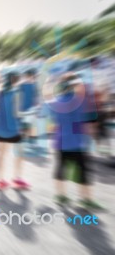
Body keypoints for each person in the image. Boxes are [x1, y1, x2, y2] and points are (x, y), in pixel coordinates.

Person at [47, 74, 103, 210]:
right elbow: (87, 122)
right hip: (77, 141)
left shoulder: (54, 103)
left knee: (60, 168)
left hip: (61, 141)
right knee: (83, 170)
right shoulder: (81, 101)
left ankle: (60, 196)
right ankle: (86, 199)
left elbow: (52, 123)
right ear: (73, 85)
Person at [0, 72, 29, 190]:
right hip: (14, 129)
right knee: (19, 154)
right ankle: (17, 178)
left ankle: (0, 180)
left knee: (1, 154)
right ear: (15, 80)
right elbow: (18, 113)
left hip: (1, 129)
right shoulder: (17, 93)